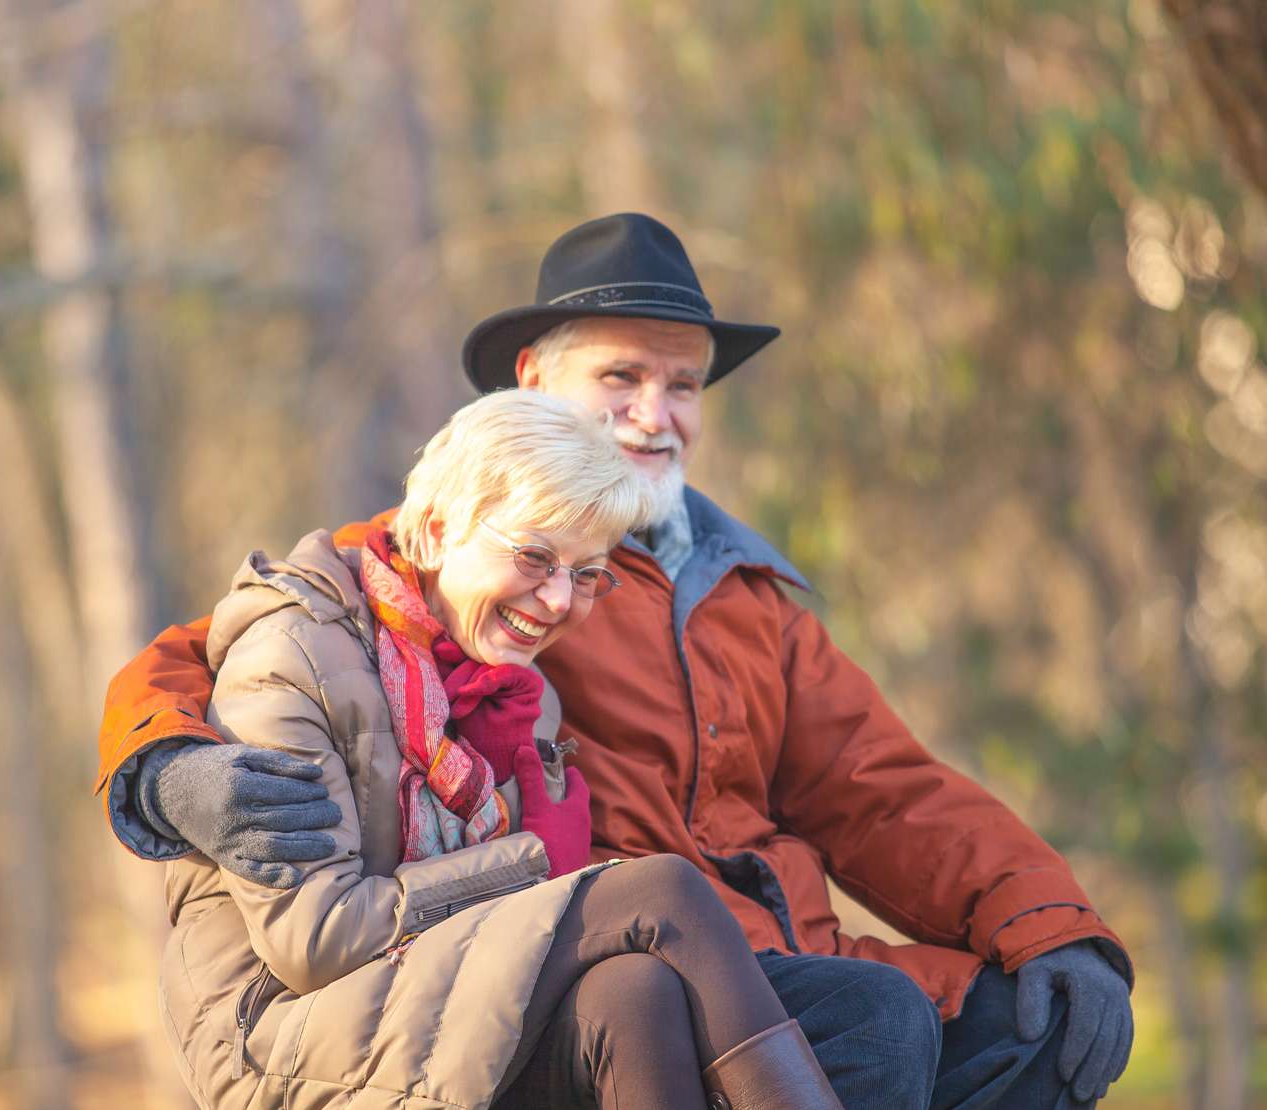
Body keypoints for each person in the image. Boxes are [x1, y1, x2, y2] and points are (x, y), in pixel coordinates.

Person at [100, 214, 1135, 1108]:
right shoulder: (480, 559)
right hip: (611, 946)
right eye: (620, 376)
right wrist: (164, 770)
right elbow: (241, 644)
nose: (655, 411)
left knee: (1029, 1024)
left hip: (777, 951)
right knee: (876, 1022)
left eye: (682, 384)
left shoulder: (747, 597)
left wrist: (1045, 919)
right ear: (536, 382)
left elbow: (882, 790)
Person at [158, 388, 840, 1109]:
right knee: (660, 891)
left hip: (417, 1001)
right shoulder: (290, 658)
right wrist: (535, 860)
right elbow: (317, 939)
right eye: (535, 556)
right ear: (437, 530)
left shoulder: (522, 696)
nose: (556, 601)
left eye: (585, 575)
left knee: (635, 993)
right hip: (278, 1033)